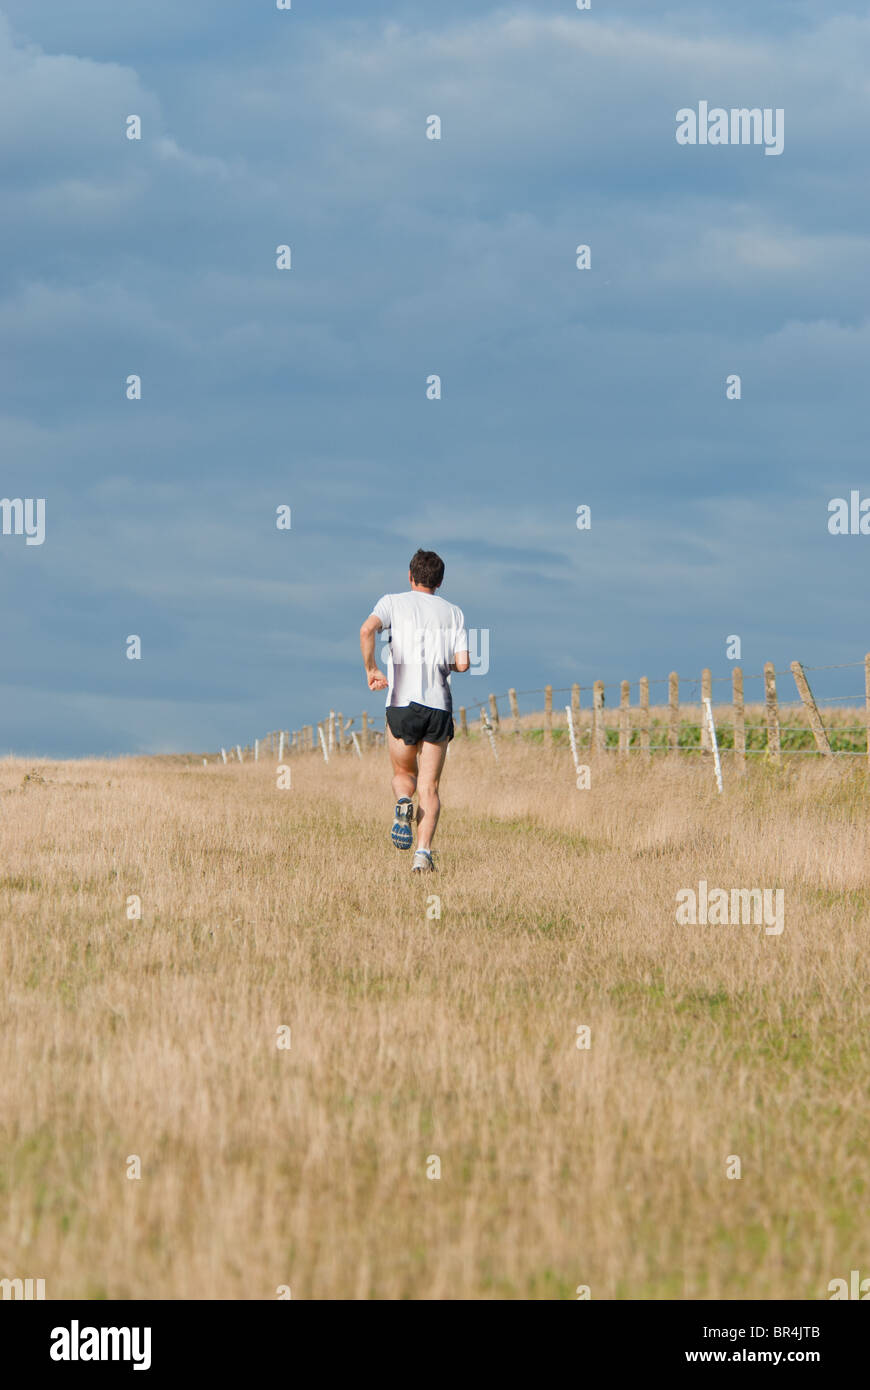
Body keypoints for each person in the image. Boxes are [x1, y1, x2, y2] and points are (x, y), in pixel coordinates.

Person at [359, 549, 469, 871]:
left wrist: (372, 669)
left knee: (403, 774)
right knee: (430, 787)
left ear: (410, 576)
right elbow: (462, 663)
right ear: (441, 581)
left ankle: (403, 802)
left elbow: (366, 631)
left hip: (401, 705)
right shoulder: (454, 613)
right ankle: (422, 855)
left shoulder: (392, 602)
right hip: (439, 707)